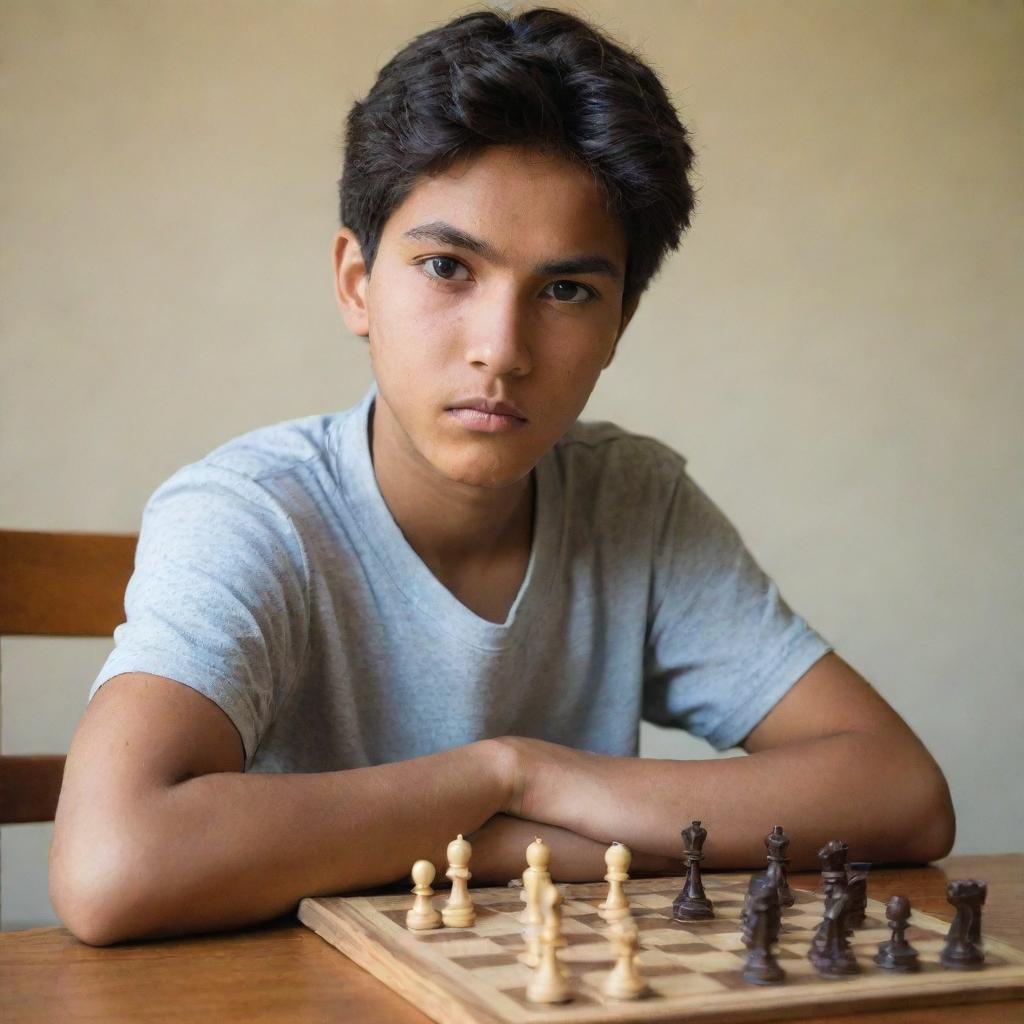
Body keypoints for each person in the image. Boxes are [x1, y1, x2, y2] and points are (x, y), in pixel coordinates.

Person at [50, 6, 954, 947]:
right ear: (357, 283)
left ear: (619, 323)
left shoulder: (631, 500)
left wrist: (529, 782)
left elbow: (902, 793)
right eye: (447, 267)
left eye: (566, 292)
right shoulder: (251, 515)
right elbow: (113, 867)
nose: (502, 350)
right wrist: (487, 784)